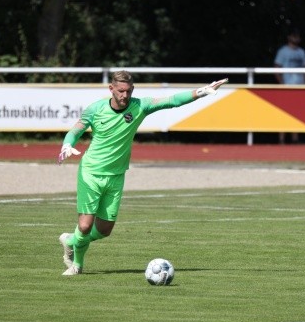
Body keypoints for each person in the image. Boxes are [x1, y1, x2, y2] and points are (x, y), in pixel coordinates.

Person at [56, 70, 228, 275]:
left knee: (104, 231)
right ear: (111, 89)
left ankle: (69, 240)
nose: (124, 96)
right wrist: (67, 145)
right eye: (120, 91)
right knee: (85, 226)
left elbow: (172, 100)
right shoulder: (96, 109)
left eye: (128, 91)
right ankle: (77, 265)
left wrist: (202, 91)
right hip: (91, 172)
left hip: (117, 176)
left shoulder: (140, 106)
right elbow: (76, 130)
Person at [274, 26, 305, 144]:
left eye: (298, 36)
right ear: (289, 37)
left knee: (297, 113)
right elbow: (276, 68)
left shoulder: (301, 52)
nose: (297, 39)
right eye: (294, 36)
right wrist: (282, 83)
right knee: (283, 113)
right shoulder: (283, 51)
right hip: (287, 86)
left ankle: (295, 138)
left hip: (300, 86)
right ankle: (281, 139)